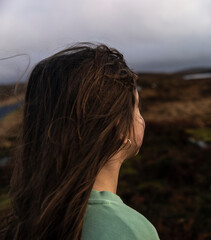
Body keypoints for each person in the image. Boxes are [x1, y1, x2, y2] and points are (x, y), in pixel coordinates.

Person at [0, 43, 160, 240]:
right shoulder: (130, 230)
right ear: (118, 125)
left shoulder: (24, 223)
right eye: (137, 107)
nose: (142, 118)